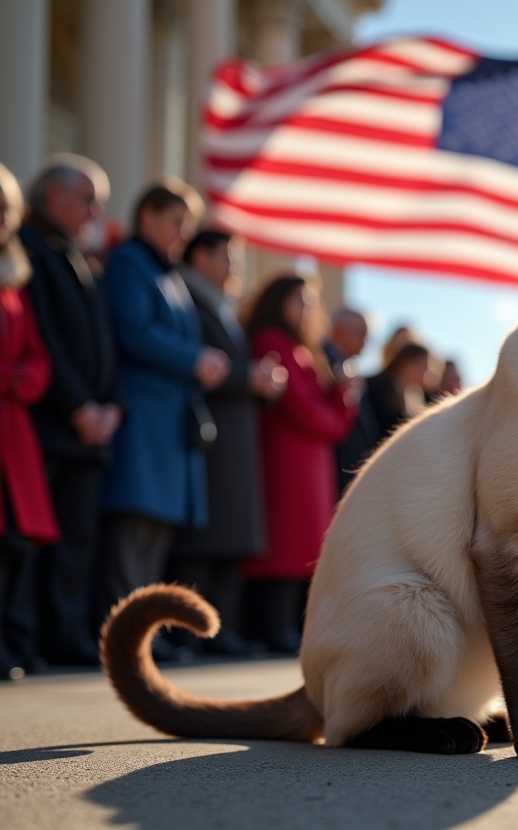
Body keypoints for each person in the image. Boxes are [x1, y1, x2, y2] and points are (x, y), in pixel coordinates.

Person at [99, 181, 230, 653]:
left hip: (167, 424)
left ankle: (143, 634)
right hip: (143, 419)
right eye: (176, 223)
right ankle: (124, 638)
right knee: (132, 531)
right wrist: (193, 358)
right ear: (147, 217)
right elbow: (134, 330)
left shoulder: (166, 274)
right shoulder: (130, 263)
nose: (182, 234)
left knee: (154, 536)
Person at [19, 155, 119, 666]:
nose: (96, 210)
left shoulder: (78, 254)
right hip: (53, 425)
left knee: (77, 542)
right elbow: (45, 339)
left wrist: (111, 406)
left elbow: (107, 343)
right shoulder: (30, 247)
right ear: (53, 196)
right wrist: (79, 405)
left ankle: (67, 635)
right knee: (36, 542)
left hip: (90, 429)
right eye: (87, 198)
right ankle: (26, 639)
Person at [166, 230, 286, 655]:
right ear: (201, 257)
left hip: (234, 434)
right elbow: (202, 364)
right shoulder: (188, 299)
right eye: (228, 257)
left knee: (230, 540)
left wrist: (257, 381)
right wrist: (246, 376)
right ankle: (187, 631)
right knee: (202, 542)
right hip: (205, 437)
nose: (236, 267)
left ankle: (219, 630)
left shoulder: (222, 307)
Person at [243, 274, 358, 652]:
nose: (307, 310)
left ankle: (288, 627)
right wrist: (337, 404)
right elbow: (306, 412)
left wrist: (340, 400)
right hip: (285, 459)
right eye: (299, 301)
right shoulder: (272, 341)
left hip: (309, 461)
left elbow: (330, 421)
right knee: (285, 546)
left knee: (304, 548)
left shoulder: (305, 350)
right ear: (278, 302)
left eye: (310, 302)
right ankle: (272, 628)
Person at [0, 157, 59, 680]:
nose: (3, 220)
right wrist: (10, 379)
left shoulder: (12, 281)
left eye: (7, 209)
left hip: (12, 433)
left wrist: (20, 380)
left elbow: (38, 357)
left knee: (10, 544)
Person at [335, 341, 430, 494]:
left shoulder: (413, 397)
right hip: (360, 468)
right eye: (424, 365)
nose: (428, 372)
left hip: (384, 473)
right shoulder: (377, 386)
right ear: (407, 363)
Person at [322, 306, 370, 377]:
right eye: (360, 335)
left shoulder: (347, 368)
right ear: (339, 331)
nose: (363, 344)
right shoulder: (318, 360)